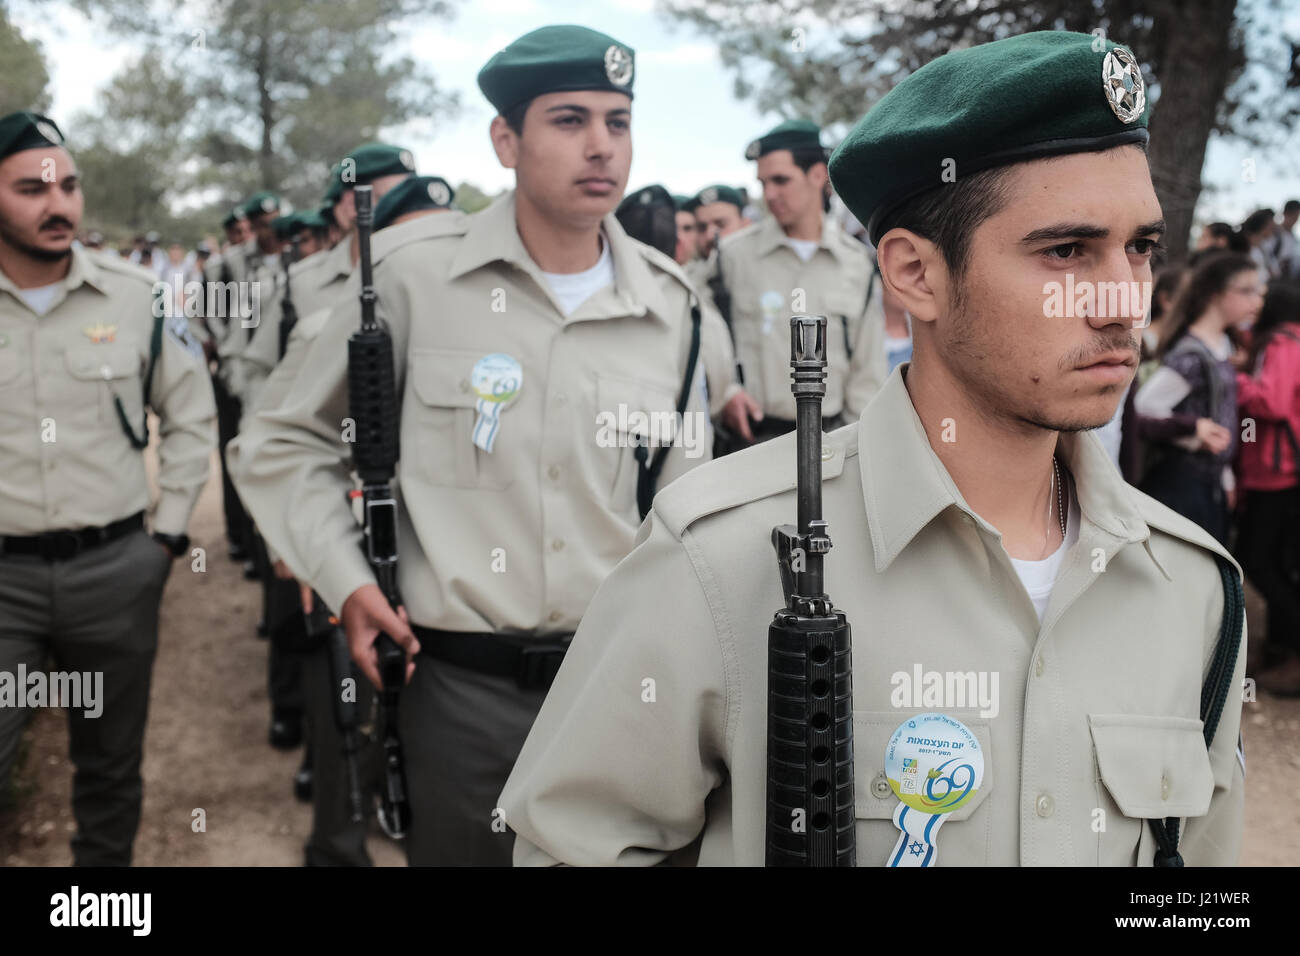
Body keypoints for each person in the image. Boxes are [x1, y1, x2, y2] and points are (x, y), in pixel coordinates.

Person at [498, 30, 1248, 867]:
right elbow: (573, 848)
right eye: (1066, 251)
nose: (1122, 303)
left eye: (1140, 249)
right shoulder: (722, 557)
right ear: (915, 274)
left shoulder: (1193, 588)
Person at [231, 25, 712, 866]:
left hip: (623, 691)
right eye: (569, 120)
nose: (601, 145)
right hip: (458, 696)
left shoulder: (674, 309)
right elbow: (278, 440)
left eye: (618, 121)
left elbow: (690, 508)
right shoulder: (413, 278)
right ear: (505, 140)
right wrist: (344, 582)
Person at [0, 111, 216, 865]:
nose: (57, 205)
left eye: (68, 186)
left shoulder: (136, 299)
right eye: (31, 189)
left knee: (110, 768)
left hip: (114, 572)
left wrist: (170, 534)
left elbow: (191, 414)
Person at [712, 118, 886, 445]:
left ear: (818, 175)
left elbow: (868, 368)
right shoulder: (733, 257)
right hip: (750, 444)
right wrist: (726, 391)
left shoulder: (856, 262)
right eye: (763, 183)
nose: (770, 194)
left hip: (832, 443)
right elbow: (702, 330)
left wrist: (852, 449)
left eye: (781, 180)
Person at [1135, 252, 1262, 544]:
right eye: (1246, 291)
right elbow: (1146, 407)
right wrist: (1192, 432)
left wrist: (1226, 477)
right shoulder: (1191, 354)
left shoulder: (1223, 343)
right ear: (1216, 293)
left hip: (1209, 482)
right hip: (1183, 481)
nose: (1256, 302)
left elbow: (1227, 413)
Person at [1234, 281, 1300, 692]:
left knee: (1255, 559)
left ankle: (1293, 644)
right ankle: (1280, 646)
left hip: (1274, 469)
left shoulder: (1281, 343)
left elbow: (1272, 403)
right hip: (1284, 468)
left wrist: (1236, 380)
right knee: (1278, 558)